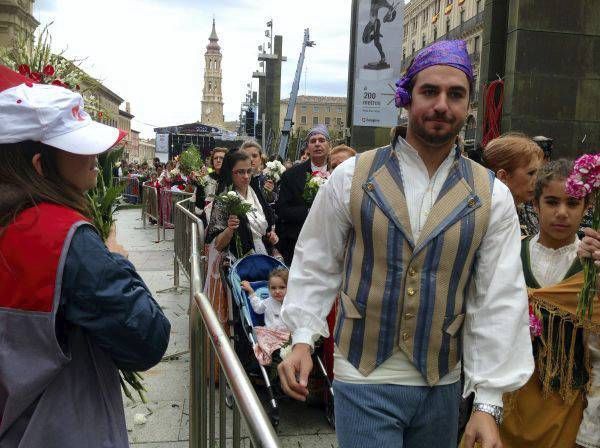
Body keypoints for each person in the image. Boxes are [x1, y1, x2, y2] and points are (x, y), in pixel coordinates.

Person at [278, 40, 533, 448]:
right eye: (429, 91)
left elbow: (498, 296)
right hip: (362, 375)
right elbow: (316, 259)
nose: (441, 105)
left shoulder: (492, 195)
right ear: (406, 97)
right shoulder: (351, 176)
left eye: (456, 94)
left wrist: (488, 403)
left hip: (441, 381)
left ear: (468, 104)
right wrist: (303, 339)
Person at [0, 64, 171, 447]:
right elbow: (148, 337)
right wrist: (115, 258)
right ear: (40, 166)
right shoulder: (63, 237)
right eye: (78, 148)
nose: (97, 155)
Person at [498, 159, 599, 447]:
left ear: (587, 207)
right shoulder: (510, 254)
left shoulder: (590, 268)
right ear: (536, 203)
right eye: (552, 202)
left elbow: (597, 355)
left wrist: (590, 434)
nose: (562, 213)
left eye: (573, 203)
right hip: (508, 404)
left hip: (565, 409)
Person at [275, 124, 331, 266]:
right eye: (313, 141)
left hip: (330, 243)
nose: (317, 144)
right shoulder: (291, 175)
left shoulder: (337, 171)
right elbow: (282, 210)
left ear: (329, 144)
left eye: (321, 140)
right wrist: (309, 211)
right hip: (298, 244)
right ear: (307, 148)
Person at [206, 150, 278, 259]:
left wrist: (271, 233)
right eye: (240, 172)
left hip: (264, 254)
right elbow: (217, 244)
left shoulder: (256, 192)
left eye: (249, 171)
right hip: (237, 261)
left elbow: (269, 220)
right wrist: (229, 229)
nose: (246, 176)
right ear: (230, 172)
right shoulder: (225, 199)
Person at [483, 133, 544, 237]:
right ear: (503, 177)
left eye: (539, 173)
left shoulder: (528, 209)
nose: (538, 180)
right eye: (531, 173)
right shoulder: (487, 218)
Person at [241, 268, 289, 332]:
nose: (277, 291)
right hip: (270, 333)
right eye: (273, 288)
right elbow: (258, 308)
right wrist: (251, 292)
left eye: (282, 287)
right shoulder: (268, 301)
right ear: (269, 289)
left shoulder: (292, 303)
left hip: (288, 335)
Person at [240, 140, 276, 205]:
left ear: (260, 159)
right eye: (247, 156)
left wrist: (270, 195)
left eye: (254, 156)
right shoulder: (235, 181)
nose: (251, 159)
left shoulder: (268, 180)